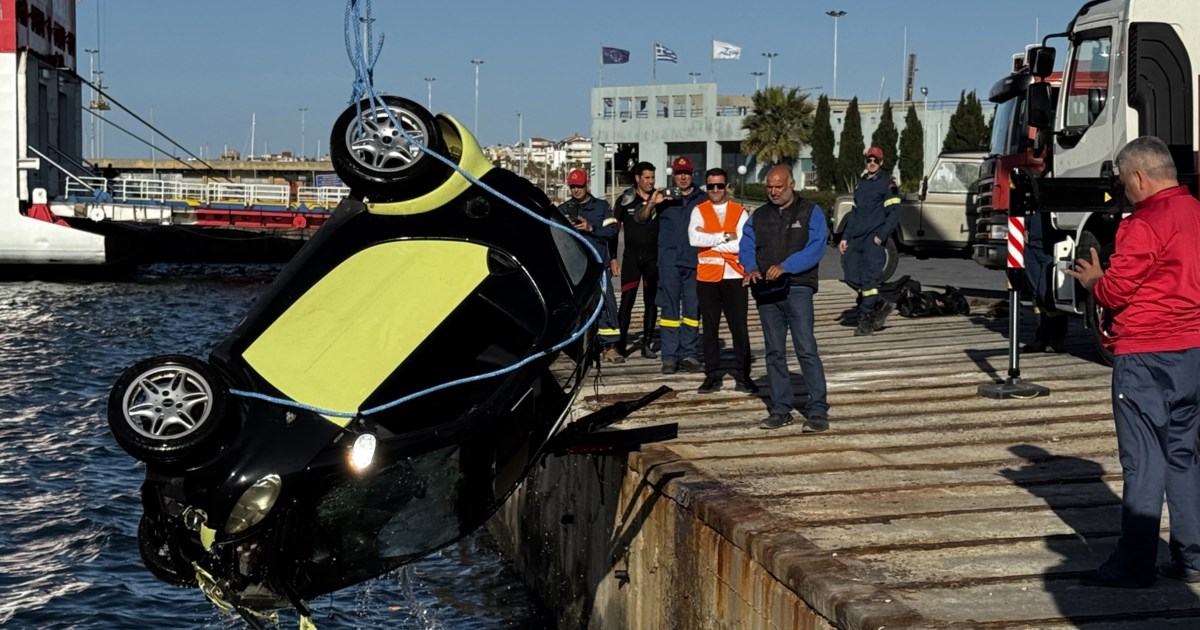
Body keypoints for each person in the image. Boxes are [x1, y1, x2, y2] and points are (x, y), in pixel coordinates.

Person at [1067, 136, 1200, 588]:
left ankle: (1135, 563)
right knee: (1184, 454)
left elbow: (1116, 291)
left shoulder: (1145, 223)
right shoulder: (1196, 212)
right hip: (1194, 352)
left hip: (1147, 354)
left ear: (1139, 177)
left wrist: (1094, 280)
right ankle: (1192, 555)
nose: (1124, 192)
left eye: (1125, 183)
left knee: (1144, 459)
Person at [739, 165, 829, 431]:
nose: (774, 191)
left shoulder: (811, 211)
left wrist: (788, 266)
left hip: (798, 286)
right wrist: (751, 268)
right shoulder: (759, 216)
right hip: (767, 291)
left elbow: (817, 246)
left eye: (779, 186)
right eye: (769, 186)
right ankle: (780, 408)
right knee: (774, 351)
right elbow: (746, 245)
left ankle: (818, 410)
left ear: (791, 184)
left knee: (805, 348)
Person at [689, 167, 756, 394]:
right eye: (711, 186)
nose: (715, 190)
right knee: (710, 330)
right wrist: (725, 236)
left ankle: (743, 375)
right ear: (706, 187)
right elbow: (693, 238)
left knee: (739, 329)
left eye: (719, 185)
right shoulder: (698, 210)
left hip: (735, 276)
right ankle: (712, 376)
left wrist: (711, 241)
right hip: (707, 277)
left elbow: (741, 245)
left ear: (727, 186)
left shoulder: (739, 212)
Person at [560, 168, 623, 363]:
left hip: (599, 266)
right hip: (575, 269)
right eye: (572, 187)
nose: (576, 190)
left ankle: (610, 346)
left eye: (579, 186)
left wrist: (591, 228)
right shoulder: (563, 210)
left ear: (586, 185)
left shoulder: (602, 207)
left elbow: (612, 231)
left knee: (607, 304)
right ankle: (581, 347)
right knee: (578, 309)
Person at [839, 146, 901, 336]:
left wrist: (881, 236)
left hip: (873, 240)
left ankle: (865, 320)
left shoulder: (887, 184)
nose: (872, 163)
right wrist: (845, 237)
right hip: (855, 238)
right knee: (851, 276)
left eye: (875, 160)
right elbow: (855, 213)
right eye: (869, 160)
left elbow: (894, 214)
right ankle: (878, 302)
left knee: (869, 279)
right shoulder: (861, 183)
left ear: (881, 163)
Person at [655, 157, 705, 374]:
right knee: (669, 311)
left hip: (694, 261)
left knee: (692, 311)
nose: (683, 177)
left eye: (686, 172)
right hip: (669, 263)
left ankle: (688, 353)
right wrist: (652, 202)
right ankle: (669, 357)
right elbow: (641, 218)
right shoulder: (664, 198)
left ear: (692, 174)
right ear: (673, 176)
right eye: (678, 173)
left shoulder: (703, 199)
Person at [611, 162, 662, 359]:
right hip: (631, 258)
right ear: (638, 178)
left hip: (652, 258)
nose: (650, 181)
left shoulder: (658, 199)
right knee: (627, 301)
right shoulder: (625, 200)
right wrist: (613, 258)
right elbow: (613, 232)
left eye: (652, 177)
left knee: (651, 302)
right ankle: (621, 344)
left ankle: (647, 343)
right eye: (647, 178)